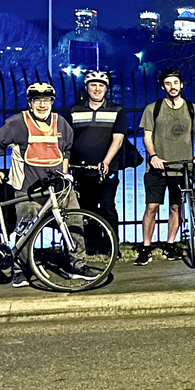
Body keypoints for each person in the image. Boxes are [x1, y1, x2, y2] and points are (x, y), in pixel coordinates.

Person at [0, 82, 84, 288]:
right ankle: (20, 270)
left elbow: (65, 151)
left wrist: (65, 174)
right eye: (37, 101)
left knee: (75, 219)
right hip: (28, 187)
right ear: (30, 103)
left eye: (46, 101)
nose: (42, 105)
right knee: (26, 226)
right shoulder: (17, 123)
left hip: (58, 187)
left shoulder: (61, 123)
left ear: (52, 102)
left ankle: (78, 265)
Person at [137, 68, 195, 265]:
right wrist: (153, 156)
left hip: (182, 168)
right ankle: (146, 247)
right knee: (152, 207)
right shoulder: (152, 109)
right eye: (168, 83)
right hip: (157, 167)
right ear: (163, 86)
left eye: (175, 83)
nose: (173, 87)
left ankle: (170, 244)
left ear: (181, 85)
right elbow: (146, 137)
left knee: (176, 207)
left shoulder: (192, 109)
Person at [66, 71, 126, 256]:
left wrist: (106, 162)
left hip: (107, 169)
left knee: (108, 207)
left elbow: (118, 139)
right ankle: (92, 246)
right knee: (87, 208)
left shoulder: (116, 110)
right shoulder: (74, 111)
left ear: (106, 89)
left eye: (101, 85)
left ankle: (111, 246)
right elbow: (67, 141)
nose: (97, 89)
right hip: (82, 169)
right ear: (86, 88)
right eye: (93, 85)